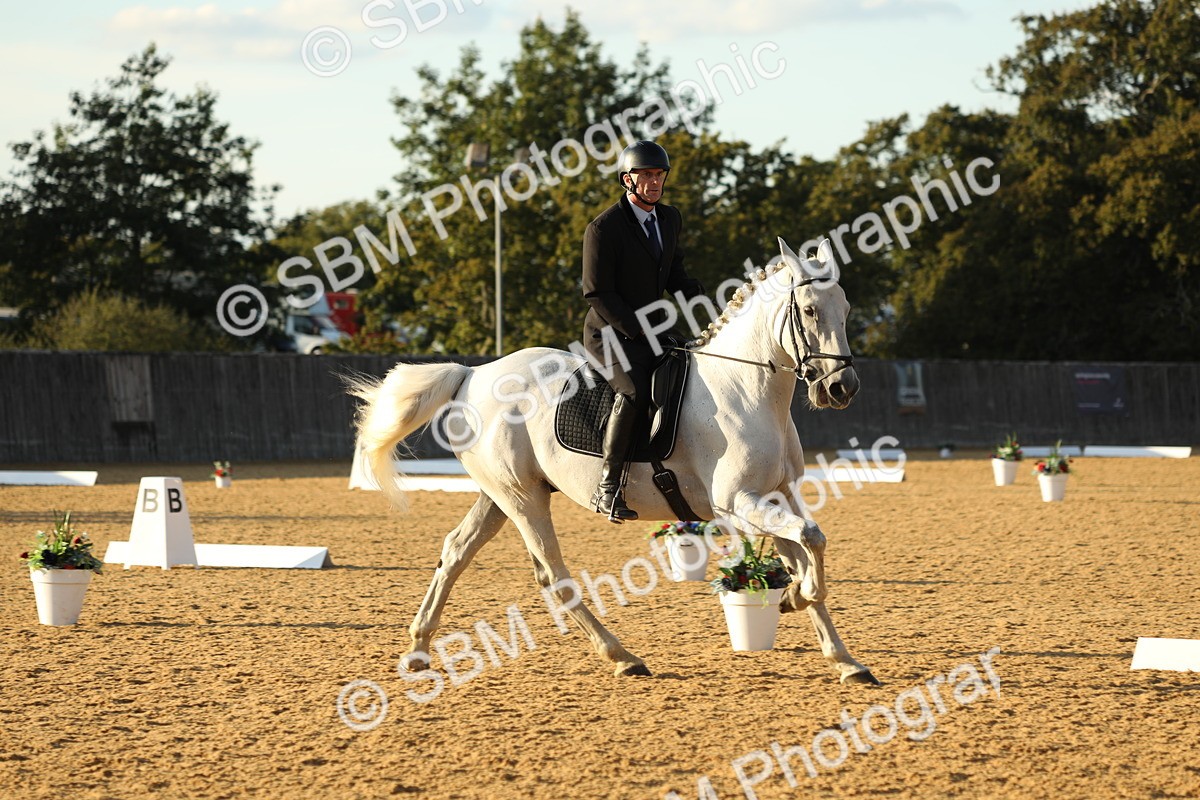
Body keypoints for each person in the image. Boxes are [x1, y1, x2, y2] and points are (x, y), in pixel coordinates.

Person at [581, 140, 705, 523]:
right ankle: (608, 486)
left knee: (690, 374)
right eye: (646, 175)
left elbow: (674, 271)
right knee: (634, 392)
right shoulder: (603, 228)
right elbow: (597, 292)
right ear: (627, 180)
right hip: (610, 333)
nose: (654, 182)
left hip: (654, 327)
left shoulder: (669, 219)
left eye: (659, 174)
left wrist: (700, 298)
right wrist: (637, 329)